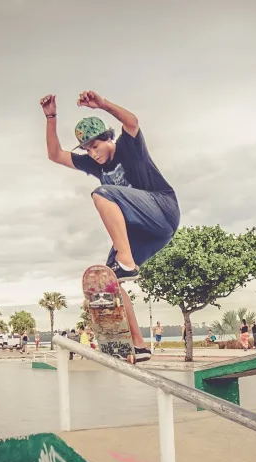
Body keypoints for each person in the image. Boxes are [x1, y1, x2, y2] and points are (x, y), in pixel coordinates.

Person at [40, 91, 180, 362]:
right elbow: (55, 155)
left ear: (108, 138)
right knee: (109, 282)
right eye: (88, 150)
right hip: (146, 233)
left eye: (95, 146)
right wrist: (50, 117)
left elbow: (132, 121)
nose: (92, 154)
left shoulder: (129, 147)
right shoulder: (93, 163)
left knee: (102, 193)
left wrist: (102, 104)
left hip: (163, 210)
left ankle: (126, 261)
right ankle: (138, 346)